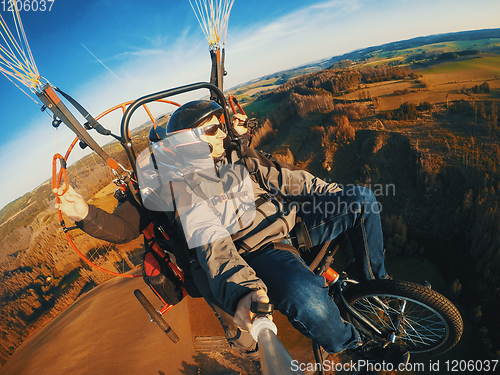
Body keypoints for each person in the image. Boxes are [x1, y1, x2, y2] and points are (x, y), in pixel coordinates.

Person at [54, 99, 407, 364]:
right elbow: (213, 249)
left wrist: (334, 197)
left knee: (361, 199)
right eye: (213, 129)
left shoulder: (238, 158)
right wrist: (85, 213)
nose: (223, 131)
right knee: (308, 299)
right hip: (254, 254)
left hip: (288, 224)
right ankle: (354, 349)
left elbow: (289, 180)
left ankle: (375, 286)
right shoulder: (177, 191)